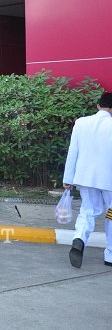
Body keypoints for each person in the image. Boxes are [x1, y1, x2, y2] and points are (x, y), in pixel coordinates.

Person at [63, 92, 112, 268]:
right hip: (108, 177)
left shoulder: (81, 123)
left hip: (85, 176)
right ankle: (110, 254)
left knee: (88, 210)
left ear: (98, 105)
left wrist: (68, 178)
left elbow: (73, 151)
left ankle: (79, 239)